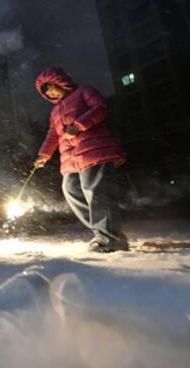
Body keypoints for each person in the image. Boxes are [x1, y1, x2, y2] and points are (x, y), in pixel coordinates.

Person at [33, 67, 129, 252]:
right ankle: (107, 232)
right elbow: (53, 136)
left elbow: (100, 108)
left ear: (60, 81)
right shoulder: (54, 112)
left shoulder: (84, 91)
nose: (50, 93)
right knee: (71, 190)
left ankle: (109, 238)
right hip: (71, 159)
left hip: (94, 150)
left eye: (50, 87)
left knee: (96, 192)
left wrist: (78, 126)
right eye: (45, 92)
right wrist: (43, 155)